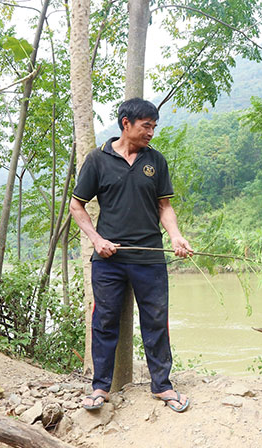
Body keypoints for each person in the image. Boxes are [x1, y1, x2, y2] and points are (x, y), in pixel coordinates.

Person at [69, 98, 193, 413]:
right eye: (146, 126)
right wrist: (96, 240)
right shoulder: (97, 160)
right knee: (104, 321)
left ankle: (162, 387)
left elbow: (164, 207)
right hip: (108, 260)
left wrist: (176, 237)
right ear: (126, 123)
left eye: (154, 126)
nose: (151, 132)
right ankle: (100, 387)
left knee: (155, 321)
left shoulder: (156, 161)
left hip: (149, 257)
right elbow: (76, 206)